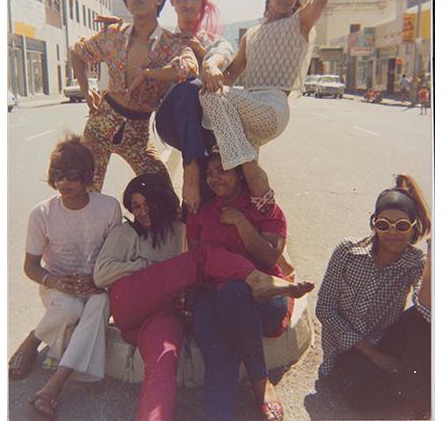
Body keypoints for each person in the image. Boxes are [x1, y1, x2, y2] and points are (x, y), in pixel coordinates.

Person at [187, 148, 313, 421]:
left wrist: (241, 221)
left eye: (222, 170)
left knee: (233, 295)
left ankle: (261, 383)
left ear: (241, 174)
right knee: (218, 353)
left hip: (264, 302)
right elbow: (196, 261)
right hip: (214, 294)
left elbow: (269, 256)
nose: (214, 178)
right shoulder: (203, 213)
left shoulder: (266, 210)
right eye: (209, 173)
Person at [98, 0, 235, 213]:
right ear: (170, 0)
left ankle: (194, 224)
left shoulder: (215, 41)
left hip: (207, 131)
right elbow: (134, 37)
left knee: (210, 196)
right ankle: (190, 170)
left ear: (203, 1)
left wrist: (206, 59)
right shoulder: (164, 41)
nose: (188, 3)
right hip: (171, 124)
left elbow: (223, 59)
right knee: (189, 88)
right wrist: (121, 28)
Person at [8, 135, 122, 419]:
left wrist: (98, 281)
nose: (64, 183)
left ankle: (52, 387)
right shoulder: (42, 213)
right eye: (58, 175)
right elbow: (31, 267)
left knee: (97, 304)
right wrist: (57, 283)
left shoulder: (108, 208)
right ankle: (33, 340)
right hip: (56, 287)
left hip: (97, 284)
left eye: (72, 175)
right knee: (71, 307)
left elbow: (113, 258)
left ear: (86, 176)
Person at [198, 0, 329, 211]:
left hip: (271, 107)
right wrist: (207, 67)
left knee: (208, 96)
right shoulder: (251, 35)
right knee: (242, 190)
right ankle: (255, 206)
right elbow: (229, 76)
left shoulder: (300, 22)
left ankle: (250, 169)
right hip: (246, 114)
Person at [70, 0, 198, 192]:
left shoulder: (171, 44)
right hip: (101, 124)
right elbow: (77, 52)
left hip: (138, 133)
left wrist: (150, 74)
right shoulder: (113, 35)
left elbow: (189, 69)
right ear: (126, 2)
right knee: (86, 195)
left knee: (163, 193)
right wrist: (85, 90)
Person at [316, 174, 431, 417]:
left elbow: (426, 310)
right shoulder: (347, 251)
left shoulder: (414, 261)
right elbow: (324, 308)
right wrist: (374, 355)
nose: (392, 233)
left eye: (401, 226)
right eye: (383, 225)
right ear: (373, 224)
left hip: (385, 341)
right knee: (364, 392)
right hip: (345, 350)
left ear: (412, 228)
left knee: (424, 326)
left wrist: (434, 251)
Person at [94, 174, 186, 421]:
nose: (143, 212)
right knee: (191, 264)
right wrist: (142, 266)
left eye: (149, 205)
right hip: (130, 306)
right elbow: (101, 274)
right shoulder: (127, 233)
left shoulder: (180, 231)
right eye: (136, 207)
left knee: (165, 360)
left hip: (159, 318)